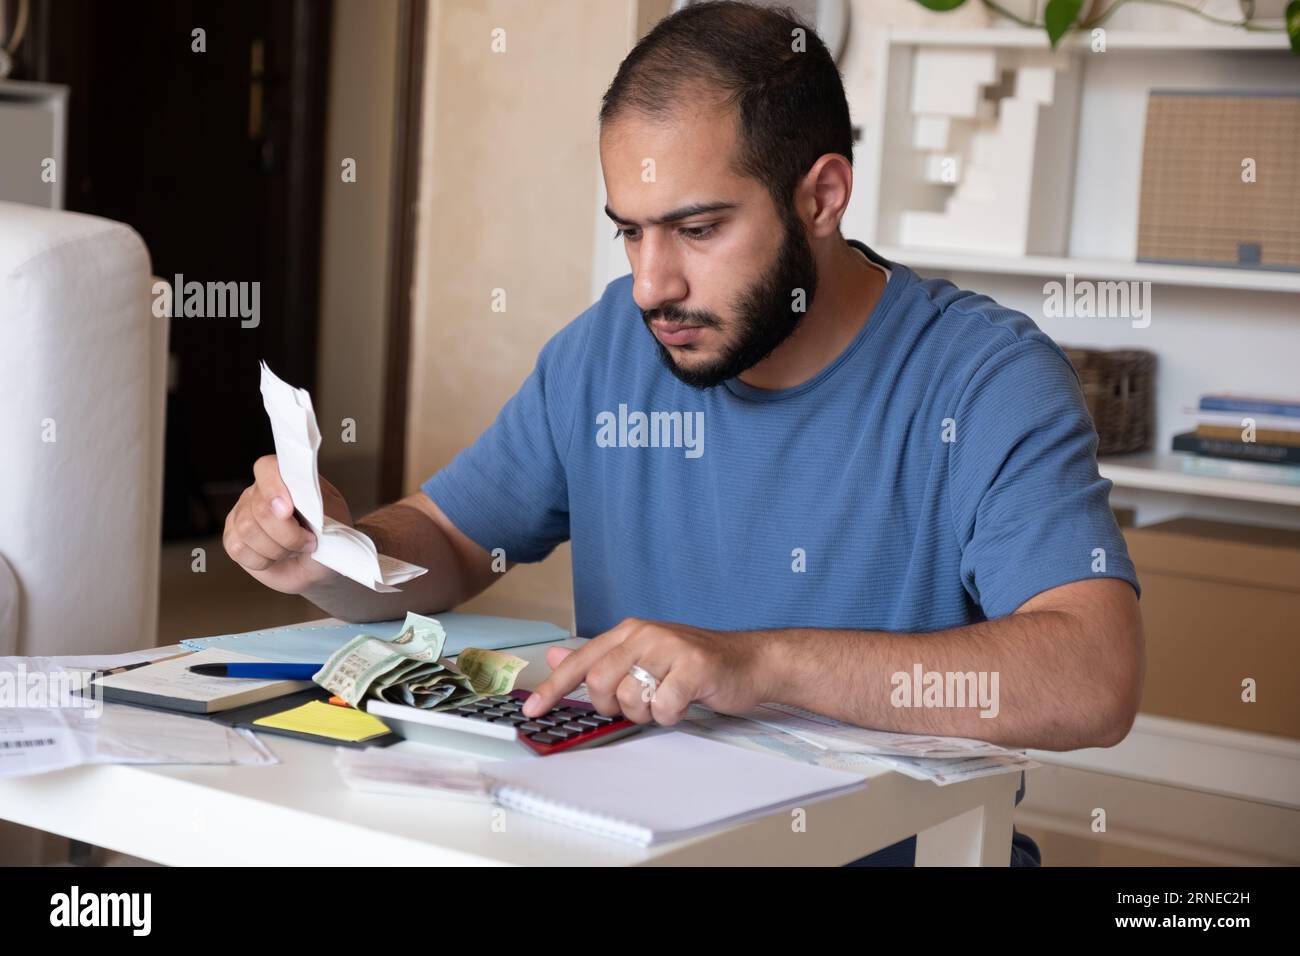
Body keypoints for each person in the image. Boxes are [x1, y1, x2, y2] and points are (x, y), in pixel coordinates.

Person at [223, 1, 1142, 866]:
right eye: (629, 232)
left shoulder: (984, 377)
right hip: (634, 843)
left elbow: (1095, 678)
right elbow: (454, 541)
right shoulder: (605, 351)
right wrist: (336, 554)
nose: (653, 283)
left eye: (697, 229)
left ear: (822, 197)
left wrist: (759, 661)